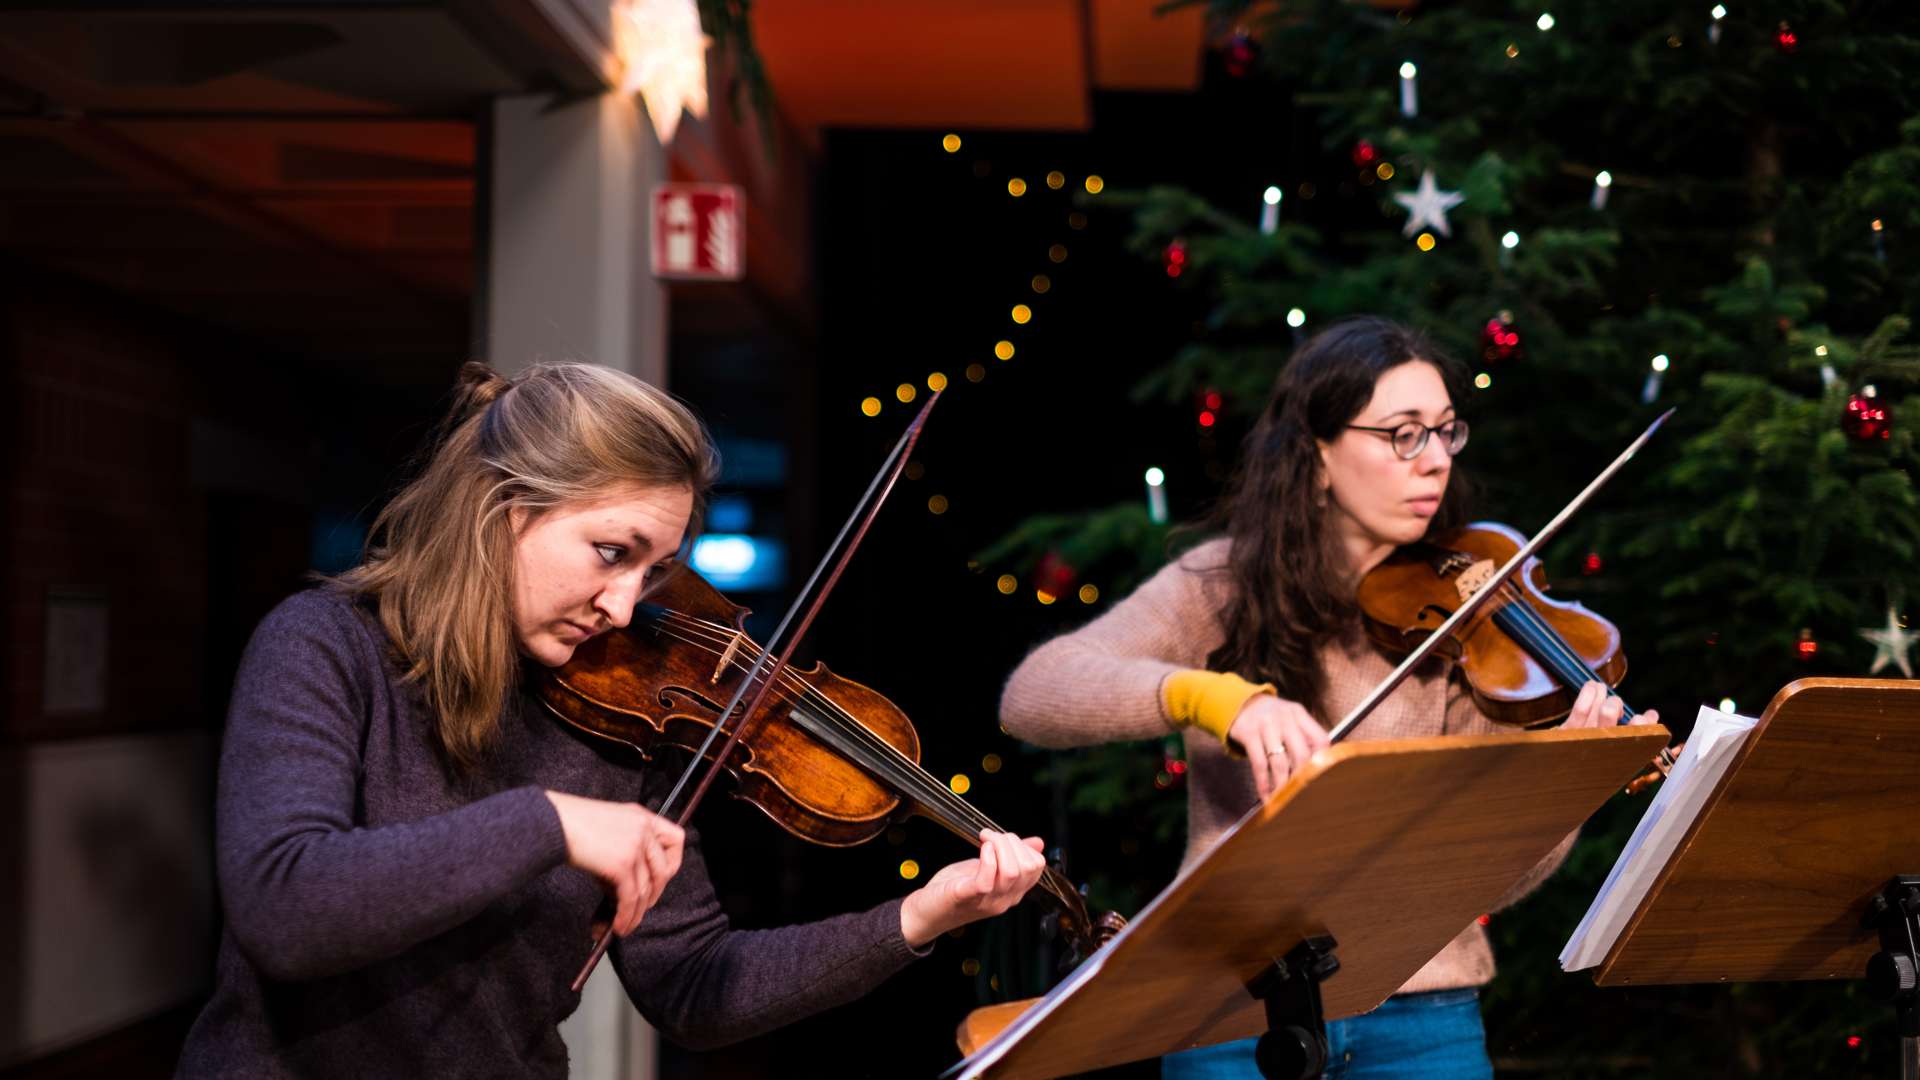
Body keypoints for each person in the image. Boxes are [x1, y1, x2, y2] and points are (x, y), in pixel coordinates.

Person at [178, 361, 1048, 1078]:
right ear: (502, 508)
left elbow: (694, 986)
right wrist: (547, 822)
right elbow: (286, 909)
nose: (627, 608)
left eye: (655, 569)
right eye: (610, 552)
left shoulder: (629, 717)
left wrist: (919, 918)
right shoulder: (326, 647)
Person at [998, 317, 1657, 1079]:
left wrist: (1556, 791)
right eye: (1403, 435)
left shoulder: (1474, 619)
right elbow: (1033, 694)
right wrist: (1216, 698)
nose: (1436, 460)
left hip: (1424, 1017)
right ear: (1316, 455)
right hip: (1226, 1005)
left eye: (1446, 432)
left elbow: (1484, 881)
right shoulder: (1223, 583)